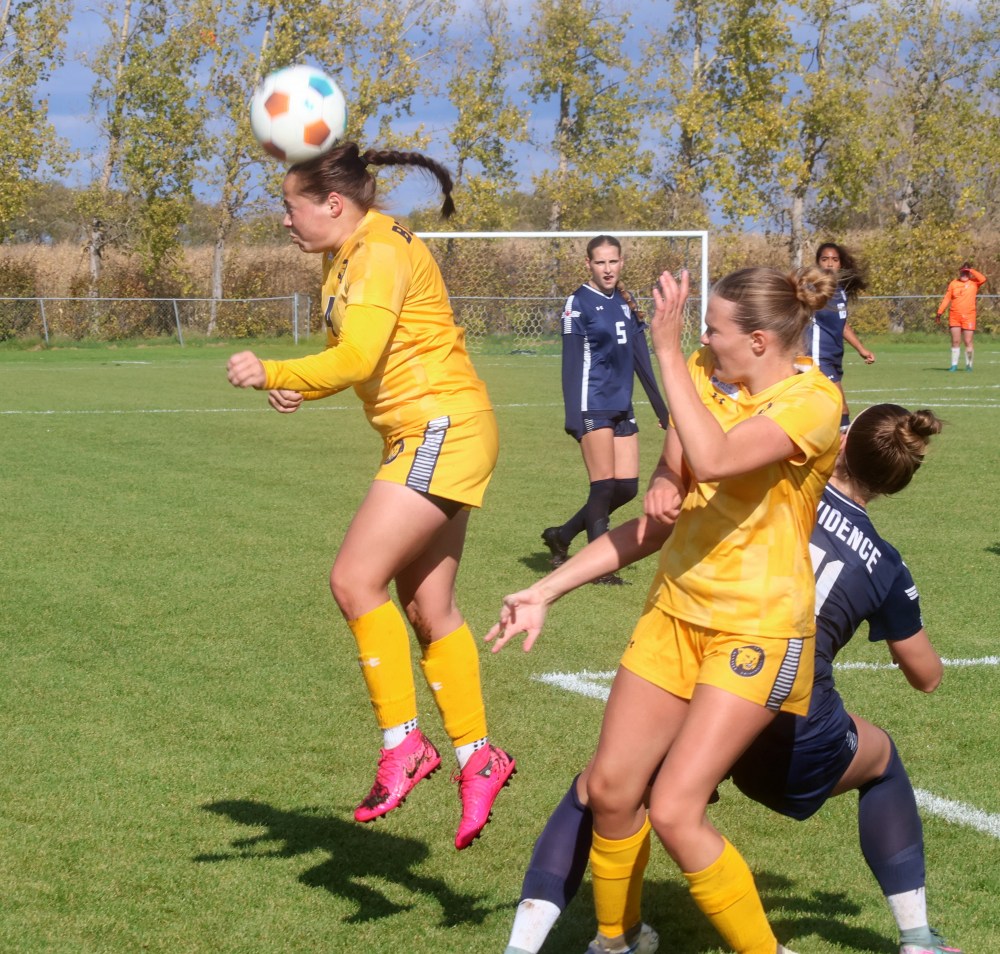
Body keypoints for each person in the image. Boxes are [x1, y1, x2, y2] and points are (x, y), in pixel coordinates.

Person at [492, 406, 961, 954]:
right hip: (788, 722)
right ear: (895, 483)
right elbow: (926, 677)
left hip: (711, 682)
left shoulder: (765, 490)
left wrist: (545, 589)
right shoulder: (884, 563)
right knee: (881, 761)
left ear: (840, 440)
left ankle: (551, 941)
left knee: (603, 786)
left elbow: (653, 528)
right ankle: (917, 937)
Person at [491, 264, 843, 954]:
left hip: (757, 629)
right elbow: (669, 498)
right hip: (673, 615)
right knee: (611, 789)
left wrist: (663, 349)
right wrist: (546, 589)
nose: (702, 340)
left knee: (678, 811)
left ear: (761, 342)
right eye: (699, 331)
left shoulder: (814, 402)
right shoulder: (707, 371)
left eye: (713, 329)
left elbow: (714, 459)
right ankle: (617, 941)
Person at [226, 142, 514, 851]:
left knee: (355, 581)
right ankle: (480, 756)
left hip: (439, 427)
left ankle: (405, 744)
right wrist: (304, 384)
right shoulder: (348, 253)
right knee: (428, 608)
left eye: (289, 206)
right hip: (432, 429)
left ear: (333, 203)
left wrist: (274, 371)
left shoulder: (377, 251)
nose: (284, 219)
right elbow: (367, 358)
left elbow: (356, 357)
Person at [540, 235, 669, 585]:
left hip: (621, 404)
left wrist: (661, 409)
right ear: (589, 264)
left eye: (613, 261)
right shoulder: (578, 302)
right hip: (592, 402)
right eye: (600, 262)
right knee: (603, 486)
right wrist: (574, 415)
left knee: (626, 488)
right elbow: (571, 362)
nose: (608, 269)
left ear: (621, 262)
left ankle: (563, 535)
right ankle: (600, 569)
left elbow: (641, 359)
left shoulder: (626, 302)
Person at [807, 242, 875, 430]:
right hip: (817, 358)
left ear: (841, 264)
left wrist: (861, 349)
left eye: (834, 260)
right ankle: (846, 445)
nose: (830, 264)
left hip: (834, 357)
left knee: (820, 410)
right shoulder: (812, 289)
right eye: (825, 259)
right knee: (841, 408)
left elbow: (841, 323)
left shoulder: (839, 291)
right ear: (818, 262)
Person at [936, 262, 987, 372]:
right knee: (955, 341)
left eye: (966, 272)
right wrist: (939, 312)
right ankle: (954, 365)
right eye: (963, 272)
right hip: (954, 316)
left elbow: (983, 279)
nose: (964, 274)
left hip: (969, 316)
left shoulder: (974, 283)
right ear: (959, 272)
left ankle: (969, 365)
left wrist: (971, 270)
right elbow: (947, 298)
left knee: (968, 341)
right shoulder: (953, 283)